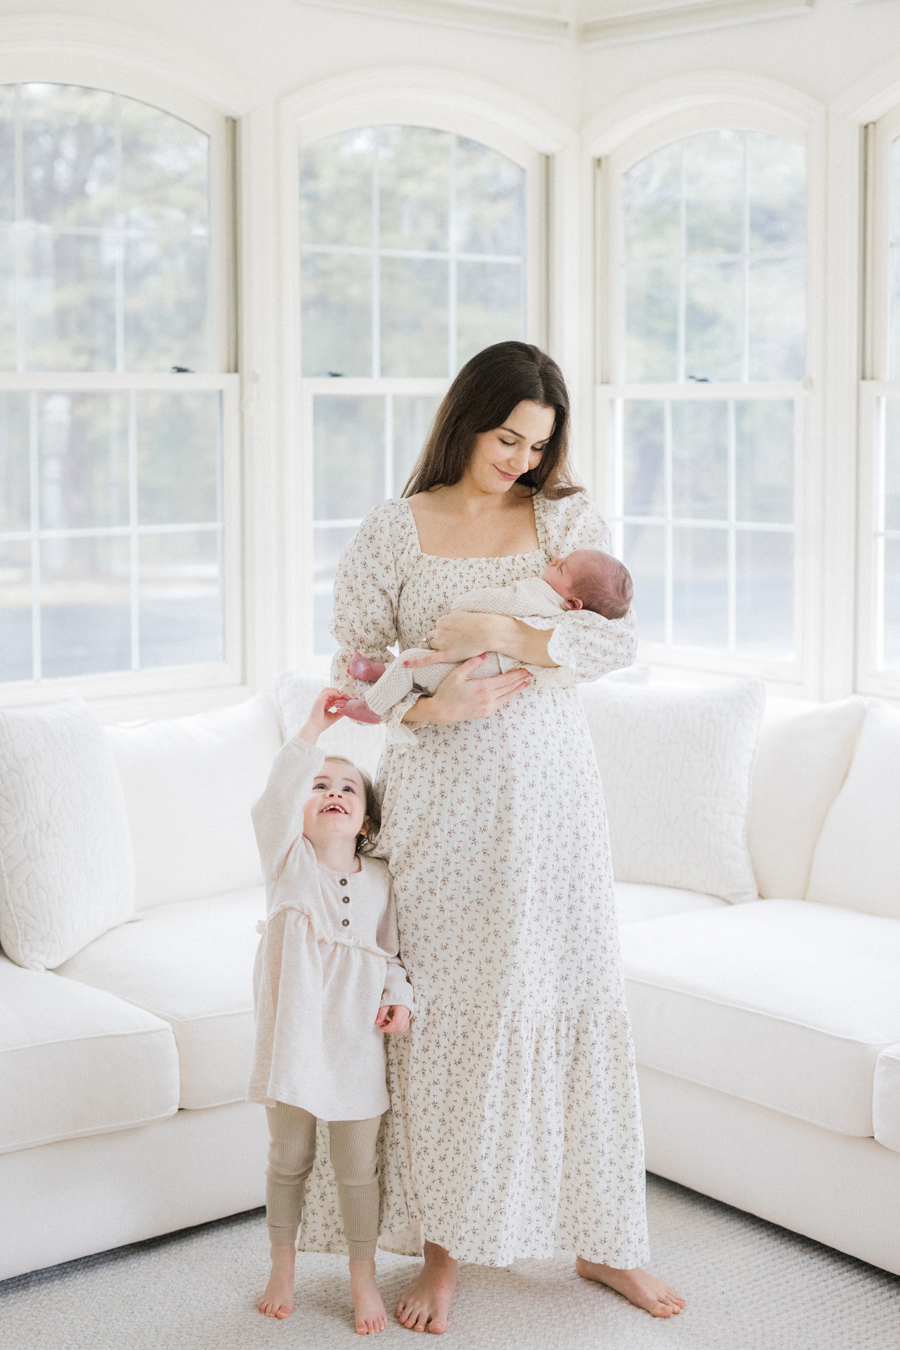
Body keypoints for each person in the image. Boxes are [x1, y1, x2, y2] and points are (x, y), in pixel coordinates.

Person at [302, 340, 685, 1333]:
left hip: (551, 801)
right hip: (440, 802)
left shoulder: (562, 518)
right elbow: (353, 670)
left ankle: (605, 1243)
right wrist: (431, 714)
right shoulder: (397, 529)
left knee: (571, 996)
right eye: (507, 436)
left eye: (537, 443)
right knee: (452, 1017)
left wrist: (509, 636)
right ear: (466, 419)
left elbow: (615, 639)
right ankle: (443, 1256)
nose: (519, 458)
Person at [247, 687, 414, 1335]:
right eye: (320, 787)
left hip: (354, 1043)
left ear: (367, 822)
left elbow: (394, 957)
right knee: (288, 1156)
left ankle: (362, 1277)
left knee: (356, 1168)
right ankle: (282, 1265)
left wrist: (398, 1002)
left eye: (349, 788)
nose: (334, 792)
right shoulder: (288, 863)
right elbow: (275, 799)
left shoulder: (383, 881)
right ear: (301, 811)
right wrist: (316, 728)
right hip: (294, 1038)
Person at [340, 548, 633, 729]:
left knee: (409, 664)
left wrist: (467, 607)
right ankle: (381, 674)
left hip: (483, 668)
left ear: (573, 603)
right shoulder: (567, 612)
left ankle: (373, 707)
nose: (556, 558)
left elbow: (501, 601)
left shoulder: (540, 596)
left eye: (562, 566)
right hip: (487, 668)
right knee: (418, 668)